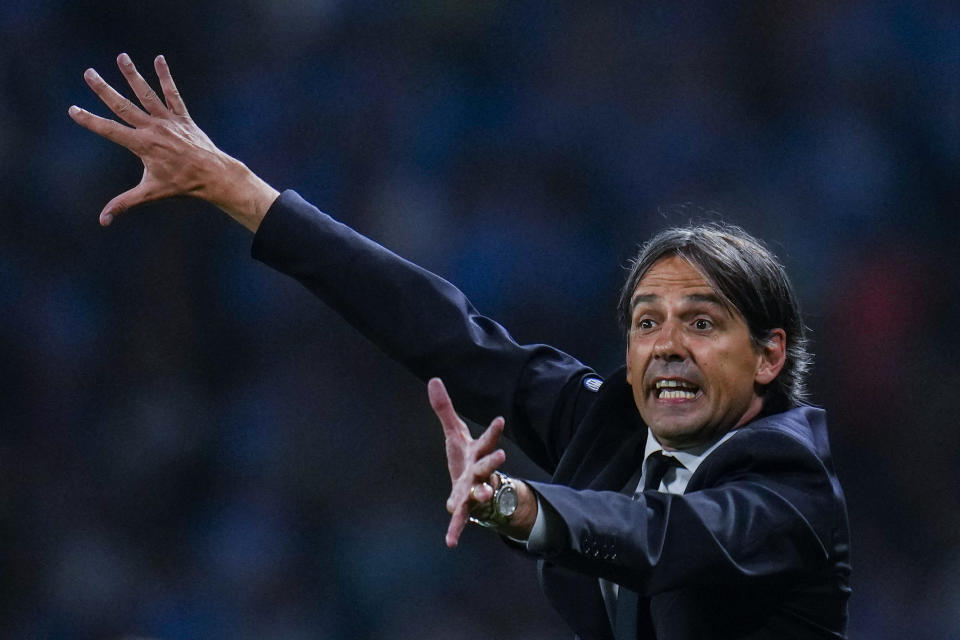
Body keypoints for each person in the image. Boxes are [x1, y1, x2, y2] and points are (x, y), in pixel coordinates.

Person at [70, 54, 851, 639]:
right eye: (647, 322)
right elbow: (445, 332)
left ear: (770, 357)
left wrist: (512, 504)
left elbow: (655, 538)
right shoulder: (610, 426)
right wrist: (242, 192)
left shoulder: (788, 488)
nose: (666, 346)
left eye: (703, 322)